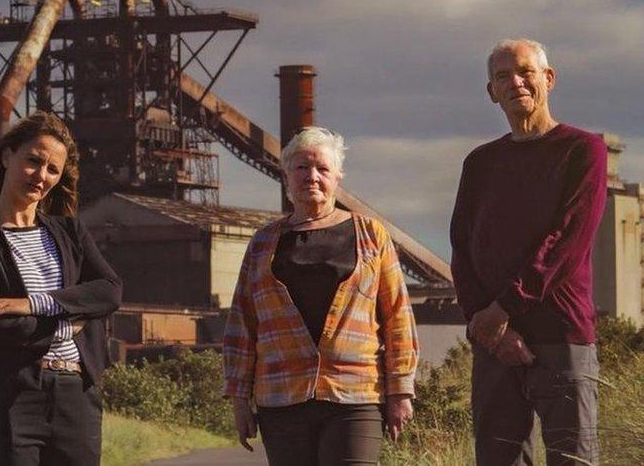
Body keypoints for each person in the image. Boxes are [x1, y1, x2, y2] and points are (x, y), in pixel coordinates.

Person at [451, 38, 607, 465]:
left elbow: (567, 243)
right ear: (491, 92)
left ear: (548, 79)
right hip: (492, 343)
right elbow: (462, 248)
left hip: (561, 336)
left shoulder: (582, 150)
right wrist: (487, 323)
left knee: (572, 458)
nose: (516, 82)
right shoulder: (480, 163)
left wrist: (502, 310)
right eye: (503, 76)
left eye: (525, 72)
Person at [222, 126, 419, 465]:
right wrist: (239, 399)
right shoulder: (263, 243)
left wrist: (400, 390)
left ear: (337, 177)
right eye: (301, 168)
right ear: (286, 175)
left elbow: (397, 315)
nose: (311, 177)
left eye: (322, 169)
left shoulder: (370, 235)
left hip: (355, 394)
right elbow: (242, 323)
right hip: (282, 397)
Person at [0, 110, 123, 466]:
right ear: (8, 156)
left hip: (76, 396)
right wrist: (70, 322)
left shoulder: (70, 232)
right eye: (33, 161)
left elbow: (110, 291)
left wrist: (31, 304)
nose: (41, 176)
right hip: (6, 398)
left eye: (52, 169)